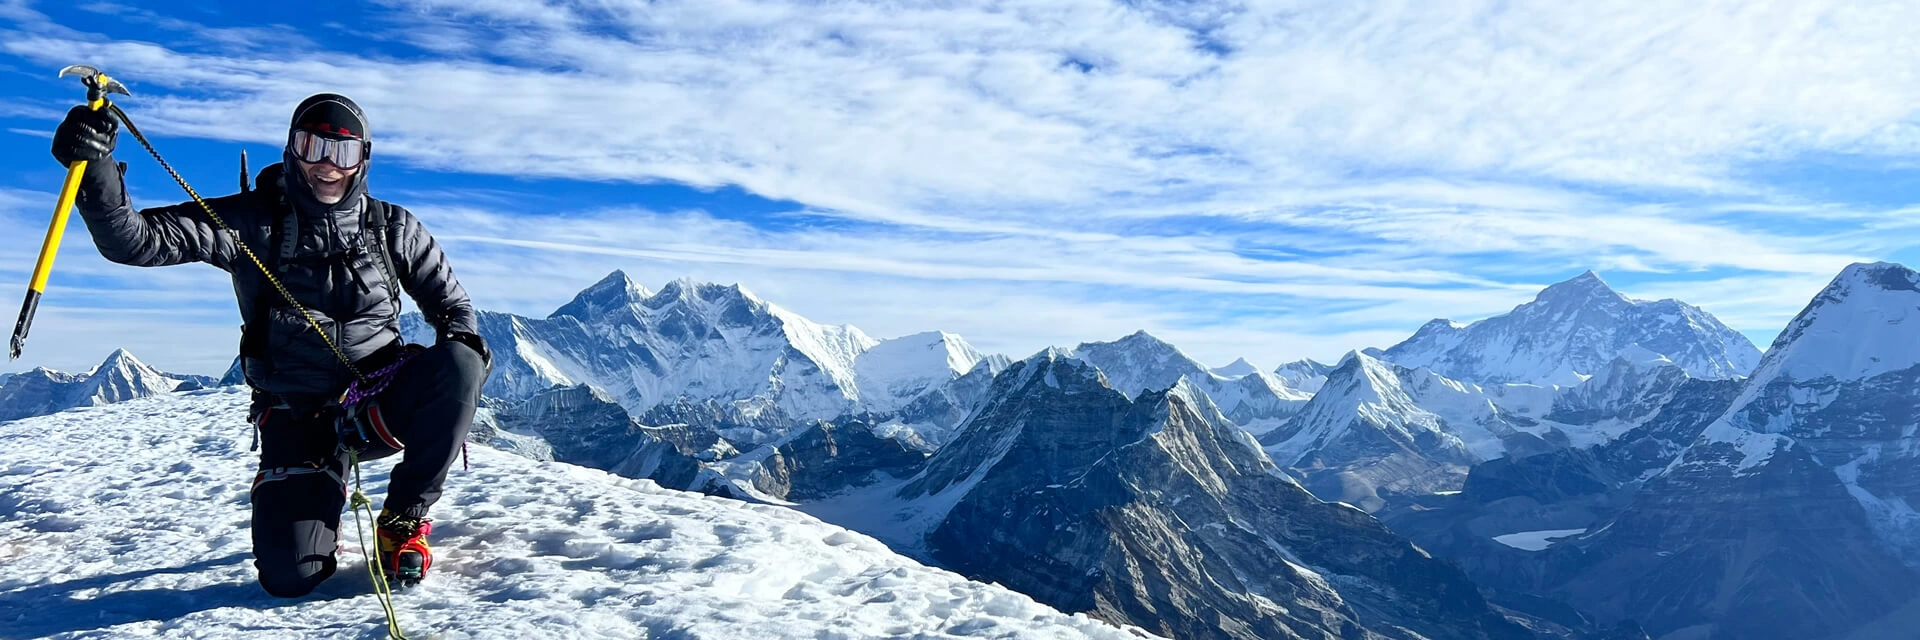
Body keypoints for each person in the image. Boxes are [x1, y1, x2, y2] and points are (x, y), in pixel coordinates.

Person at [51, 94, 491, 596]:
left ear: (363, 160)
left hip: (374, 405)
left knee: (461, 361)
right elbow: (135, 241)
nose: (327, 165)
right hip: (296, 415)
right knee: (292, 578)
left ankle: (403, 521)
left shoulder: (392, 228)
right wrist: (96, 167)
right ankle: (303, 484)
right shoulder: (250, 222)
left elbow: (456, 313)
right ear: (291, 150)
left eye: (343, 153)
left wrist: (457, 372)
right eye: (313, 147)